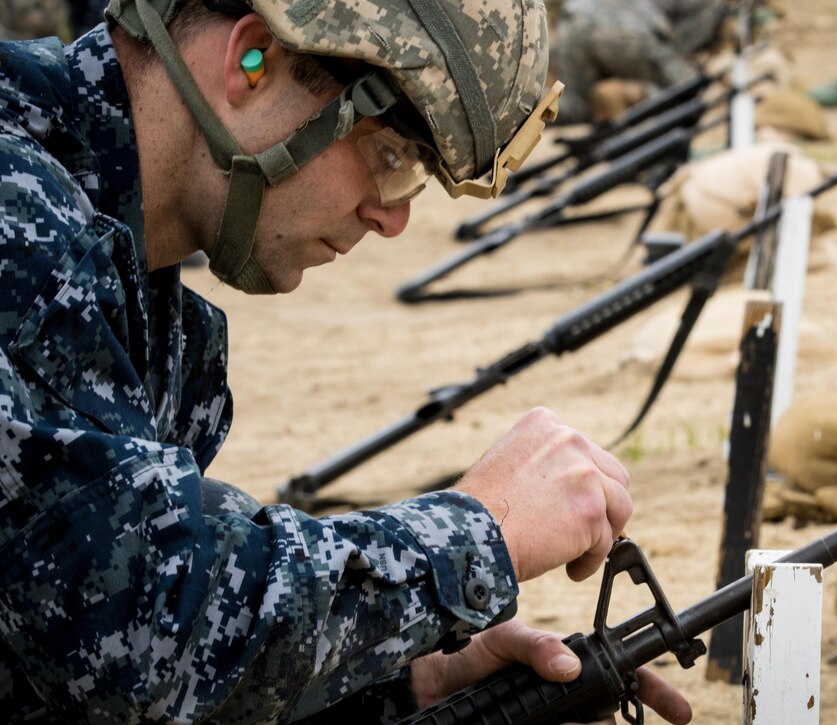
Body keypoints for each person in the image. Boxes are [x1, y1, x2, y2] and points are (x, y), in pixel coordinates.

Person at [0, 0, 692, 722]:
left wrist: (395, 682)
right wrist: (477, 532)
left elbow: (73, 653)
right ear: (252, 62)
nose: (391, 218)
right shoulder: (20, 218)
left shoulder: (117, 261)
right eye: (388, 154)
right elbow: (138, 633)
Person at [548, 0, 731, 125]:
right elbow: (683, 42)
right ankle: (633, 95)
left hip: (571, 23)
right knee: (689, 90)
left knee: (575, 106)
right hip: (625, 30)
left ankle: (524, 104)